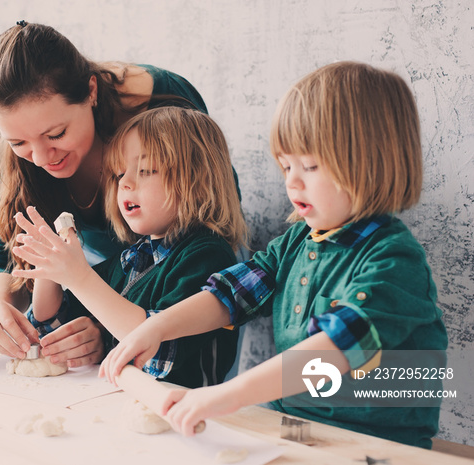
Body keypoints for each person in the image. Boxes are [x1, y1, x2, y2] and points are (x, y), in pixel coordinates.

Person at [99, 61, 448, 448]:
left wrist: (227, 395)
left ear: (373, 160)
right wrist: (156, 328)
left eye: (310, 166)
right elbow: (229, 296)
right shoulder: (297, 241)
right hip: (298, 428)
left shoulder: (394, 261)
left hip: (380, 443)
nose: (291, 181)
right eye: (285, 166)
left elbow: (336, 350)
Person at [0, 21, 246, 367]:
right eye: (19, 143)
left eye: (56, 133)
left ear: (91, 92)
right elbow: (9, 256)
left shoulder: (164, 107)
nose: (41, 158)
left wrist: (99, 315)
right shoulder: (123, 265)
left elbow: (213, 223)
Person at [11, 107, 248, 388]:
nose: (125, 183)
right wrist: (50, 269)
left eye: (146, 170)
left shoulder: (207, 255)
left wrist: (80, 278)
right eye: (119, 173)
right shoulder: (133, 258)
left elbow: (154, 352)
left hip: (183, 414)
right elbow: (52, 325)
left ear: (198, 182)